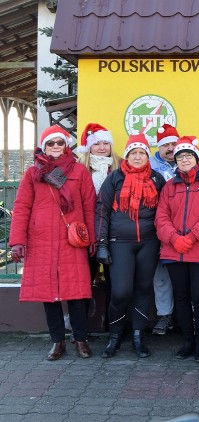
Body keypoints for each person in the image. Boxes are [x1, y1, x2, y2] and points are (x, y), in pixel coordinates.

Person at [9, 125, 96, 360]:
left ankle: (81, 339)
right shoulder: (32, 173)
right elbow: (22, 207)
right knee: (49, 295)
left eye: (59, 142)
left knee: (77, 293)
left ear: (66, 145)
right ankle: (57, 341)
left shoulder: (79, 170)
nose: (55, 147)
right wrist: (17, 240)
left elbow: (89, 206)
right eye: (51, 143)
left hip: (72, 241)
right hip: (42, 241)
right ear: (44, 146)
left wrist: (92, 239)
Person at [155, 136, 199, 363]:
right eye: (180, 156)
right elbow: (161, 217)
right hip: (174, 251)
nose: (184, 159)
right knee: (181, 297)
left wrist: (192, 237)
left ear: (196, 158)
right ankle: (188, 341)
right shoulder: (169, 186)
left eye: (188, 156)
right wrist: (174, 239)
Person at [96, 134, 166, 358]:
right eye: (133, 153)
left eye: (142, 153)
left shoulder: (157, 179)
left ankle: (137, 335)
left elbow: (165, 212)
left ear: (147, 156)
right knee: (120, 291)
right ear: (126, 156)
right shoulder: (114, 178)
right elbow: (102, 212)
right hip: (120, 243)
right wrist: (102, 244)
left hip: (149, 242)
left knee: (143, 290)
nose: (138, 157)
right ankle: (115, 336)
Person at [77, 122, 121, 331]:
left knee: (115, 281)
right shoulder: (80, 169)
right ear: (89, 147)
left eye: (106, 143)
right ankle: (81, 328)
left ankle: (115, 327)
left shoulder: (120, 167)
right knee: (84, 280)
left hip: (114, 233)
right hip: (86, 234)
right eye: (97, 144)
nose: (102, 148)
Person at [150, 124, 180, 336]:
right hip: (156, 227)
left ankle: (191, 315)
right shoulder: (149, 164)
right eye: (166, 145)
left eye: (173, 144)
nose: (171, 148)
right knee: (161, 274)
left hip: (185, 228)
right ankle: (164, 315)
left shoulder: (188, 161)